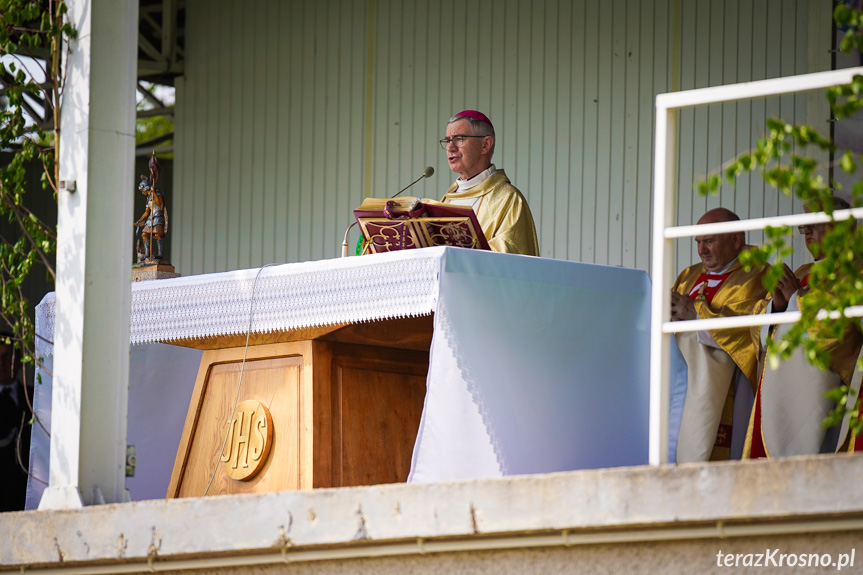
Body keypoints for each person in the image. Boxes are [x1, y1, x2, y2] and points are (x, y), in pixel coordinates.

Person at [745, 197, 863, 458]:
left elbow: (845, 332)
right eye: (803, 226)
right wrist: (776, 306)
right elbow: (760, 335)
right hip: (778, 388)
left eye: (813, 223)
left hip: (821, 389)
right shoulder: (802, 271)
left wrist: (797, 298)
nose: (806, 231)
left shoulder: (856, 271)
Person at [670, 207, 768, 462]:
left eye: (709, 241)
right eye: (699, 242)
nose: (702, 250)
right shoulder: (689, 276)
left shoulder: (758, 276)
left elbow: (746, 332)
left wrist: (694, 314)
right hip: (681, 380)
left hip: (728, 386)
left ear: (736, 240)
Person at [439, 110, 539, 256]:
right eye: (448, 140)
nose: (450, 147)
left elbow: (509, 259)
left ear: (486, 144)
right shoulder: (449, 199)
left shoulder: (507, 199)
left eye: (459, 139)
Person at [0, 332, 31, 511]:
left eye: (7, 356)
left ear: (19, 360)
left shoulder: (35, 398)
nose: (1, 363)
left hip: (23, 494)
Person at [134, 175, 169, 263]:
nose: (142, 193)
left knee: (157, 235)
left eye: (143, 191)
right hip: (151, 218)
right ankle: (147, 254)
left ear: (146, 188)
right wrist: (139, 220)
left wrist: (154, 193)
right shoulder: (148, 198)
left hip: (158, 216)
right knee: (144, 234)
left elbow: (159, 202)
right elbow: (147, 212)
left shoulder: (156, 193)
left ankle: (160, 254)